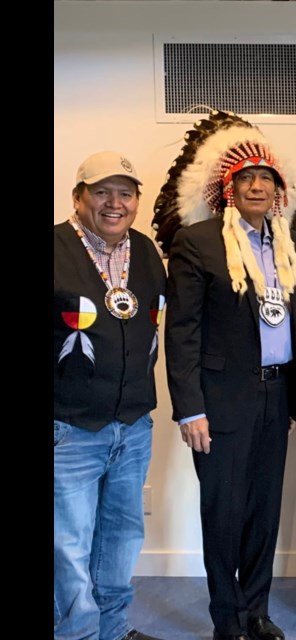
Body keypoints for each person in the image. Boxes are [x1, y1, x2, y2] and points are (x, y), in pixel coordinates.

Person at [159, 112, 296, 640]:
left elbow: (295, 323)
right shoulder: (199, 241)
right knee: (224, 512)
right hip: (220, 401)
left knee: (264, 511)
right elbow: (183, 333)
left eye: (267, 179)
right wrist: (190, 407)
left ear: (278, 191)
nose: (258, 186)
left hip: (275, 394)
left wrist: (292, 400)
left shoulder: (290, 244)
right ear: (229, 189)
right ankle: (228, 620)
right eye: (247, 178)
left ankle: (257, 611)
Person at [54, 151, 166, 640]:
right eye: (101, 191)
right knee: (68, 544)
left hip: (134, 424)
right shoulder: (55, 247)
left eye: (125, 192)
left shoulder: (145, 250)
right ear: (78, 197)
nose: (114, 203)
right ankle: (77, 633)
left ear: (137, 200)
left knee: (122, 538)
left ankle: (114, 629)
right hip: (69, 426)